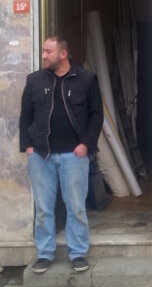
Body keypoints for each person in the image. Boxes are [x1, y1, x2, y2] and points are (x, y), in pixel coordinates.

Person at [19, 36, 104, 274]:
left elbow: (96, 115)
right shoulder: (34, 81)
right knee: (44, 208)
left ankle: (77, 253)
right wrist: (28, 146)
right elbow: (25, 116)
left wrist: (86, 144)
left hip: (74, 155)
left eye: (48, 51)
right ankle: (45, 254)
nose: (44, 55)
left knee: (75, 206)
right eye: (43, 51)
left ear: (63, 54)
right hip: (41, 155)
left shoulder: (85, 79)